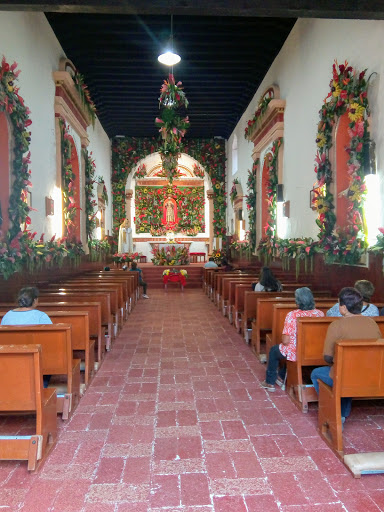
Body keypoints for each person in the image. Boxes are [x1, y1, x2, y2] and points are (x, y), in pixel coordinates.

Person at [311, 287, 381, 423]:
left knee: (317, 373)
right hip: (372, 375)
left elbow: (327, 357)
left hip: (347, 377)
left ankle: (334, 412)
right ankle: (343, 412)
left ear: (343, 307)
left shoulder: (336, 325)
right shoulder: (373, 323)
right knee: (345, 375)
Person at [260, 287, 324, 392]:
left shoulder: (292, 315)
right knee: (286, 352)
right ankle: (280, 376)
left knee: (274, 351)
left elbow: (285, 341)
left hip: (296, 351)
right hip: (313, 350)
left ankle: (269, 382)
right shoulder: (319, 313)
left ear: (297, 301)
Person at [1, 287, 53, 387]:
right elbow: (51, 339)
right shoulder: (41, 316)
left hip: (11, 359)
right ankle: (42, 386)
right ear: (34, 300)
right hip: (36, 360)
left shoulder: (7, 316)